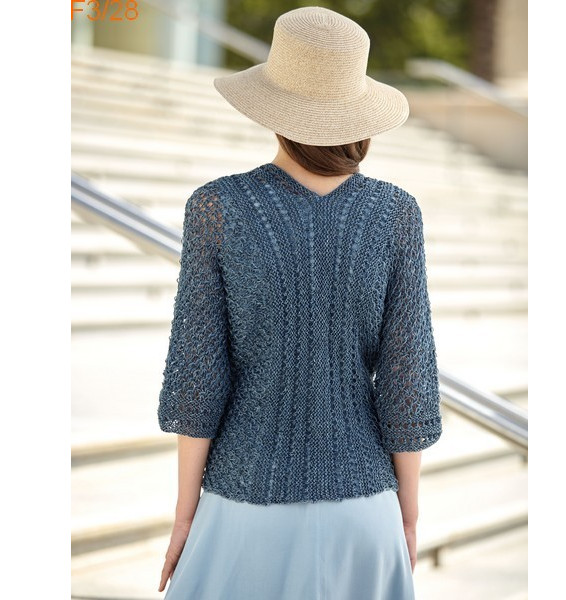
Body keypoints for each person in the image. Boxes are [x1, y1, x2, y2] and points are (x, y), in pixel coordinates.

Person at [156, 6, 443, 599]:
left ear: (273, 106)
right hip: (365, 508)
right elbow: (407, 380)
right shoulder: (396, 214)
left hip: (242, 508)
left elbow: (196, 380)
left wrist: (185, 518)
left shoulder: (217, 208)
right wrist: (407, 516)